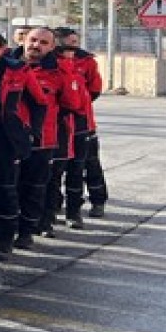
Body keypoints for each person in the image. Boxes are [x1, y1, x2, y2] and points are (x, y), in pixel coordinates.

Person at [0, 29, 45, 261]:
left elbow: (39, 103)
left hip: (6, 139)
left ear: (2, 48)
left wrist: (33, 131)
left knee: (6, 190)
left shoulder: (18, 70)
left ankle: (5, 240)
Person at [16, 28, 84, 250]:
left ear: (52, 47)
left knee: (37, 187)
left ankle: (33, 227)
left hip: (43, 139)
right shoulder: (7, 65)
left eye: (43, 42)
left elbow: (72, 104)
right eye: (33, 40)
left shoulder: (60, 71)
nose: (36, 45)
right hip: (9, 140)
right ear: (23, 40)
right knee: (6, 186)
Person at [56, 28, 103, 227]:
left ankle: (91, 204)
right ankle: (52, 209)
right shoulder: (46, 65)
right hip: (57, 126)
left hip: (82, 124)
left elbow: (94, 89)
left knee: (85, 166)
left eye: (75, 42)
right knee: (54, 172)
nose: (73, 47)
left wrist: (79, 106)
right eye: (68, 44)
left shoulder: (86, 62)